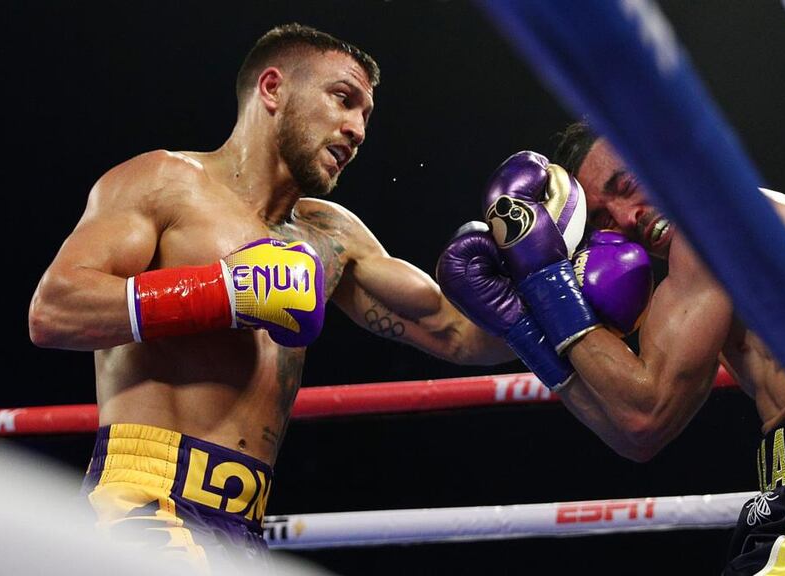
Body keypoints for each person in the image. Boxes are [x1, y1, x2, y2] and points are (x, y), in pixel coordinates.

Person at [27, 23, 509, 573]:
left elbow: (462, 336)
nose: (357, 130)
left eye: (365, 116)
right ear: (273, 89)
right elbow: (54, 309)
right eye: (343, 100)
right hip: (143, 501)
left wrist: (556, 294)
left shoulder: (332, 237)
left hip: (242, 525)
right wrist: (223, 292)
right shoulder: (165, 182)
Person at [440, 125, 785, 574]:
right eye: (604, 219)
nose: (629, 218)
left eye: (626, 184)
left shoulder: (715, 222)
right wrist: (524, 327)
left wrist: (543, 278)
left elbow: (645, 411)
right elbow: (634, 435)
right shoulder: (696, 272)